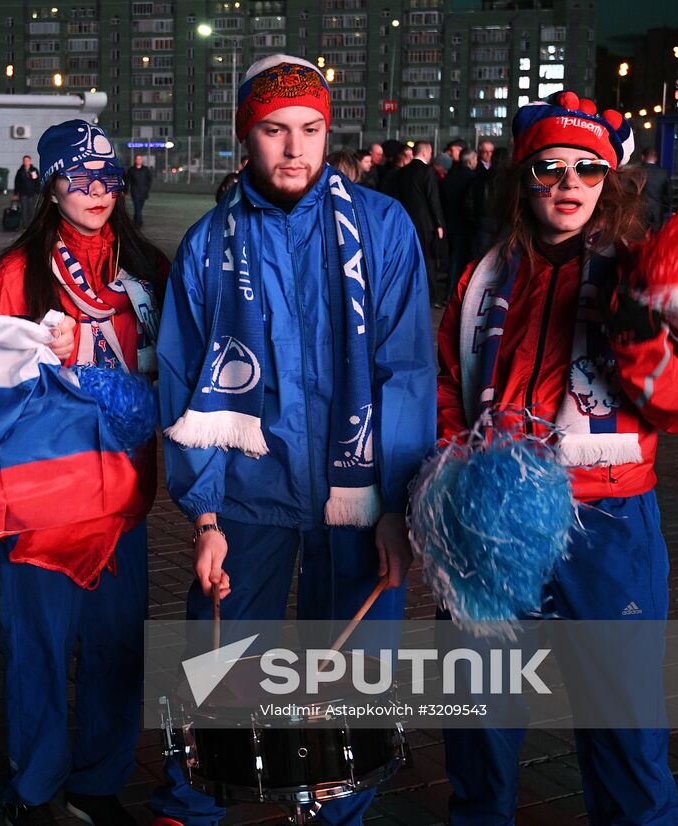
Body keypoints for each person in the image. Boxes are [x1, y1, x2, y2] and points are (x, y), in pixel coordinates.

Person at [153, 54, 434, 826]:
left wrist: (396, 508)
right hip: (249, 492)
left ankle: (337, 812)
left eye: (310, 129)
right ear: (246, 136)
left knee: (353, 675)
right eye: (274, 131)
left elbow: (405, 372)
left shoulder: (380, 229)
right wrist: (204, 518)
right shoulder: (211, 244)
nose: (294, 149)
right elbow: (184, 384)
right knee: (218, 661)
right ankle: (192, 807)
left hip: (360, 496)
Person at [436, 90, 678, 826]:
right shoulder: (482, 275)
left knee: (624, 727)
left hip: (604, 521)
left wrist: (642, 337)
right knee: (478, 722)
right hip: (489, 520)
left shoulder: (642, 273)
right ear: (523, 178)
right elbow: (447, 386)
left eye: (587, 170)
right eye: (549, 168)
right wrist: (455, 468)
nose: (568, 186)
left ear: (609, 184)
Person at [0, 118, 167, 826]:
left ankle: (97, 782)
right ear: (50, 183)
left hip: (122, 495)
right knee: (38, 649)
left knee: (119, 647)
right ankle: (35, 787)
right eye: (81, 177)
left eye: (109, 177)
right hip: (42, 500)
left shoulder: (146, 270)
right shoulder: (17, 273)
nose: (97, 191)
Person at [383, 139, 448, 306]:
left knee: (409, 260)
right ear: (426, 152)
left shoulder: (403, 172)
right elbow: (433, 199)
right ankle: (433, 297)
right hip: (426, 224)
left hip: (407, 223)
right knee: (428, 261)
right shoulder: (428, 172)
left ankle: (411, 296)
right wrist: (439, 223)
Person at [441, 148, 478, 294]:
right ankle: (459, 291)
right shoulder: (473, 179)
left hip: (450, 224)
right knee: (463, 260)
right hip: (466, 225)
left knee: (454, 259)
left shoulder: (449, 178)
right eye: (475, 159)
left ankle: (450, 291)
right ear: (470, 160)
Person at [466, 146, 509, 260]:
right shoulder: (511, 179)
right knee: (504, 258)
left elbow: (469, 201)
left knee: (482, 260)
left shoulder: (480, 177)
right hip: (505, 222)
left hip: (482, 221)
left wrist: (474, 218)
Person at [637, 146, 671, 230]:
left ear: (642, 157)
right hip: (657, 211)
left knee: (639, 238)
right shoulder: (663, 173)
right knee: (656, 239)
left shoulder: (636, 171)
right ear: (656, 159)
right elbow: (668, 194)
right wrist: (665, 208)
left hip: (640, 211)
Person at [13, 153, 41, 228]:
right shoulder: (20, 171)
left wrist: (38, 192)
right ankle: (25, 225)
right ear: (23, 161)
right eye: (25, 160)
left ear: (30, 161)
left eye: (27, 160)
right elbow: (17, 183)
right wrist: (15, 194)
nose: (26, 162)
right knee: (24, 209)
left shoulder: (34, 170)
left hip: (33, 193)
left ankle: (31, 225)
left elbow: (37, 182)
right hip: (23, 193)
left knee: (32, 210)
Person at [125, 153, 153, 227]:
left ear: (142, 160)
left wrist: (147, 189)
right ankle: (138, 223)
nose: (139, 160)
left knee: (139, 208)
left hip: (143, 192)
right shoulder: (131, 170)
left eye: (140, 159)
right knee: (137, 207)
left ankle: (136, 220)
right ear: (135, 160)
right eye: (137, 159)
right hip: (135, 192)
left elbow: (149, 180)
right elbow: (127, 181)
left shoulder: (146, 170)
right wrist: (126, 191)